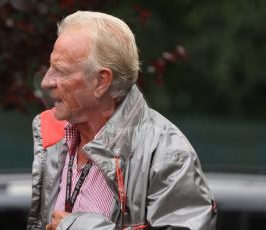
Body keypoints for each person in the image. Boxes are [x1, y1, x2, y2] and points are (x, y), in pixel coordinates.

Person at [27, 11, 217, 230]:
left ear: (101, 81)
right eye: (51, 67)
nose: (47, 81)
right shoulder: (55, 134)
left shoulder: (167, 153)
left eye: (61, 71)